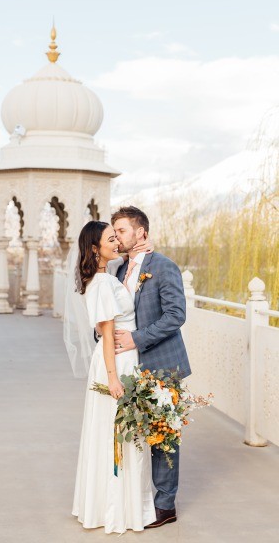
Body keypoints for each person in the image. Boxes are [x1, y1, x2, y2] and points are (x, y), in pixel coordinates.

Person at [71, 220, 156, 533]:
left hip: (121, 357)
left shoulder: (103, 276)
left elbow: (125, 259)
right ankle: (119, 507)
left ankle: (110, 503)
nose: (117, 242)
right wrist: (113, 378)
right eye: (111, 238)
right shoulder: (103, 283)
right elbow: (107, 334)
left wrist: (142, 249)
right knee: (119, 433)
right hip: (116, 361)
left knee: (116, 431)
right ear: (96, 249)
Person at [111, 206, 190, 529]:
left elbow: (175, 316)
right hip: (127, 367)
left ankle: (165, 505)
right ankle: (134, 497)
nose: (117, 236)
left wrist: (136, 339)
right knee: (130, 435)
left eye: (123, 230)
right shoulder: (117, 271)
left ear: (141, 232)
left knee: (163, 436)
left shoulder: (164, 266)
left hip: (160, 364)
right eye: (114, 231)